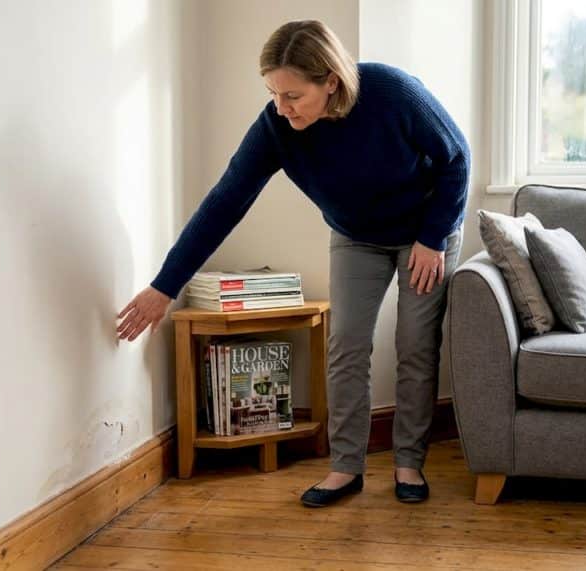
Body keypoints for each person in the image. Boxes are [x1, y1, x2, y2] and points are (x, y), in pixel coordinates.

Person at [116, 20, 469, 507]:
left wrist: (433, 238)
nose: (281, 107)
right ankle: (346, 468)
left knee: (414, 344)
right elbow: (225, 203)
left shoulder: (391, 91)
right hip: (357, 236)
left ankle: (409, 461)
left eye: (293, 95)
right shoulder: (276, 129)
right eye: (273, 93)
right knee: (346, 345)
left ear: (332, 82)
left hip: (427, 232)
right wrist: (164, 286)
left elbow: (457, 158)